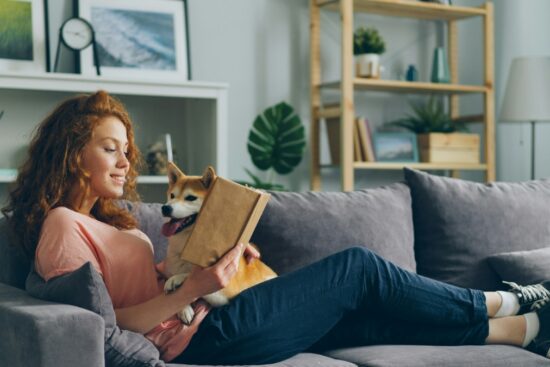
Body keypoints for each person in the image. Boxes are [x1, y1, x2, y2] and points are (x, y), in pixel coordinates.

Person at [3, 90, 550, 365]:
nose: (126, 162)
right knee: (357, 269)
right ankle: (494, 302)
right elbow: (102, 326)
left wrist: (215, 256)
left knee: (367, 319)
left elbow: (150, 288)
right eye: (109, 148)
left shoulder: (108, 221)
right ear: (74, 151)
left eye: (127, 150)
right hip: (199, 343)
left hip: (204, 318)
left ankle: (527, 332)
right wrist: (196, 287)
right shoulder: (63, 225)